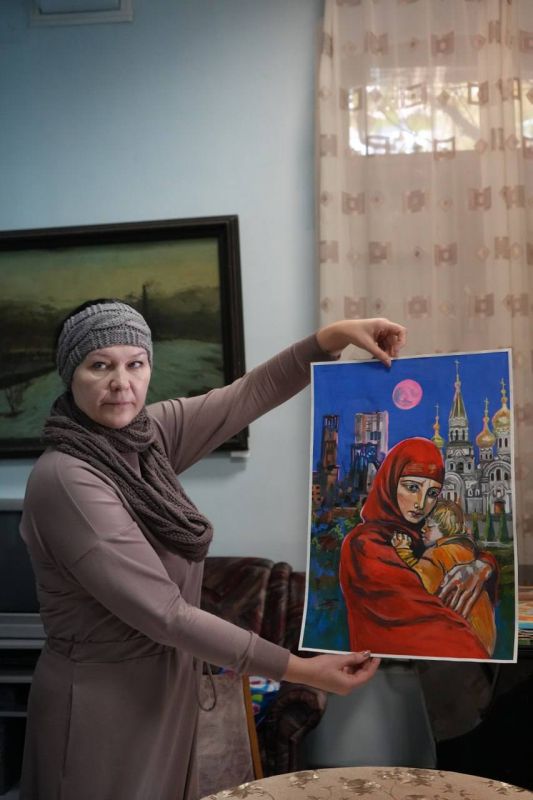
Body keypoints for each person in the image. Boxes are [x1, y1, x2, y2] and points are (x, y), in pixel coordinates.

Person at [19, 301, 404, 800]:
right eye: (100, 365)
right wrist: (302, 670)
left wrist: (333, 337)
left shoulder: (145, 438)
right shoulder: (67, 479)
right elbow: (168, 615)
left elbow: (247, 394)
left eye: (135, 364)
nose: (121, 382)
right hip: (101, 707)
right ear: (71, 373)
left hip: (165, 692)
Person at [339, 437, 496, 660]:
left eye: (432, 494)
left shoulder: (420, 534)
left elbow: (463, 552)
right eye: (412, 487)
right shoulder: (365, 544)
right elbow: (426, 620)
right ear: (390, 483)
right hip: (387, 667)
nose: (421, 504)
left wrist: (483, 565)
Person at [391, 499, 497, 655]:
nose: (423, 529)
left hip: (458, 640)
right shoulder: (467, 552)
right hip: (484, 640)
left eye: (430, 526)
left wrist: (403, 551)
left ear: (447, 528)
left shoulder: (438, 554)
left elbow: (417, 585)